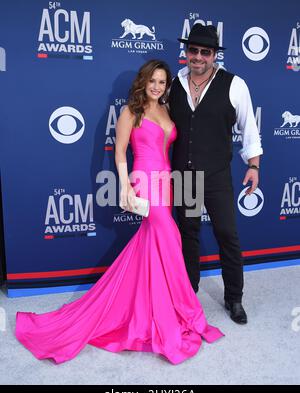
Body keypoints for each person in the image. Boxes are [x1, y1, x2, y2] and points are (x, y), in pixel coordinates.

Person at [15, 60, 223, 365]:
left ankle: (153, 306)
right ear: (144, 81)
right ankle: (183, 311)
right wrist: (125, 186)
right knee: (170, 238)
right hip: (144, 180)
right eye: (153, 81)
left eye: (162, 82)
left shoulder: (166, 110)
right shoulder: (130, 111)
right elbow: (119, 150)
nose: (157, 87)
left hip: (167, 182)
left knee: (152, 245)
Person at [169, 24, 263, 325]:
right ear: (186, 52)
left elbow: (250, 131)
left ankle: (234, 298)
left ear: (214, 55)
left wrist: (254, 166)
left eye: (205, 52)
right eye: (193, 50)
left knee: (227, 236)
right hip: (184, 176)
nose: (198, 57)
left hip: (217, 176)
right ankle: (187, 293)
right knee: (188, 236)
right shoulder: (174, 83)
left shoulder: (235, 85)